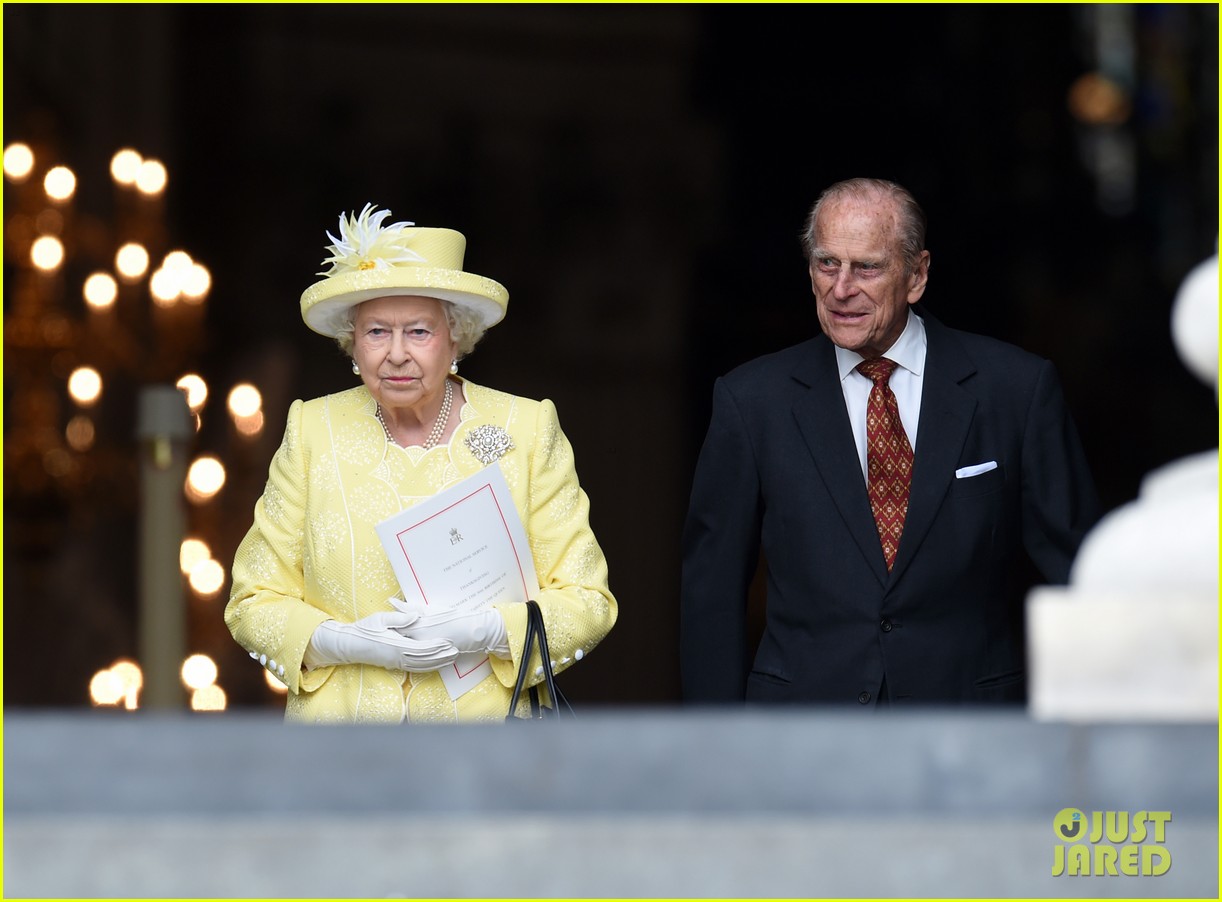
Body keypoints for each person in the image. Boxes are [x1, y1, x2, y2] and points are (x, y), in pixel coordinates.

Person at [680, 178, 1100, 706]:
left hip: (968, 724)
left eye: (868, 268)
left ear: (917, 275)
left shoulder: (1014, 389)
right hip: (803, 731)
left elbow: (1083, 572)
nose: (841, 288)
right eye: (827, 263)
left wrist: (1093, 729)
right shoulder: (751, 401)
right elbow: (711, 591)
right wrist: (710, 748)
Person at [226, 204, 617, 723]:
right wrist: (344, 642)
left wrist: (488, 631)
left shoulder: (525, 429)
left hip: (484, 755)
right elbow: (252, 602)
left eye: (418, 332)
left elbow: (588, 601)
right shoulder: (311, 430)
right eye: (376, 332)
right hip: (340, 755)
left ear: (456, 336)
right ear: (353, 343)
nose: (396, 354)